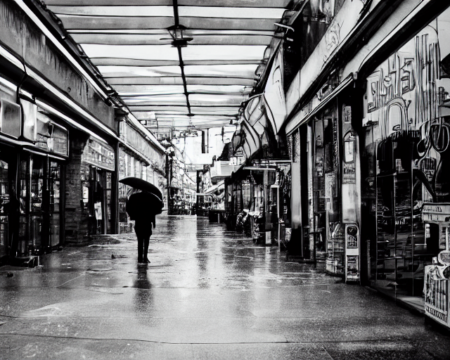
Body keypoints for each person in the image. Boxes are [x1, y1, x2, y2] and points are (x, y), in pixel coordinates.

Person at [126, 191, 159, 263]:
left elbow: (128, 208)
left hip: (139, 222)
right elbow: (156, 209)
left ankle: (140, 257)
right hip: (147, 222)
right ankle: (145, 257)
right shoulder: (151, 197)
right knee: (146, 241)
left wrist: (133, 216)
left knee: (140, 241)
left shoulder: (135, 197)